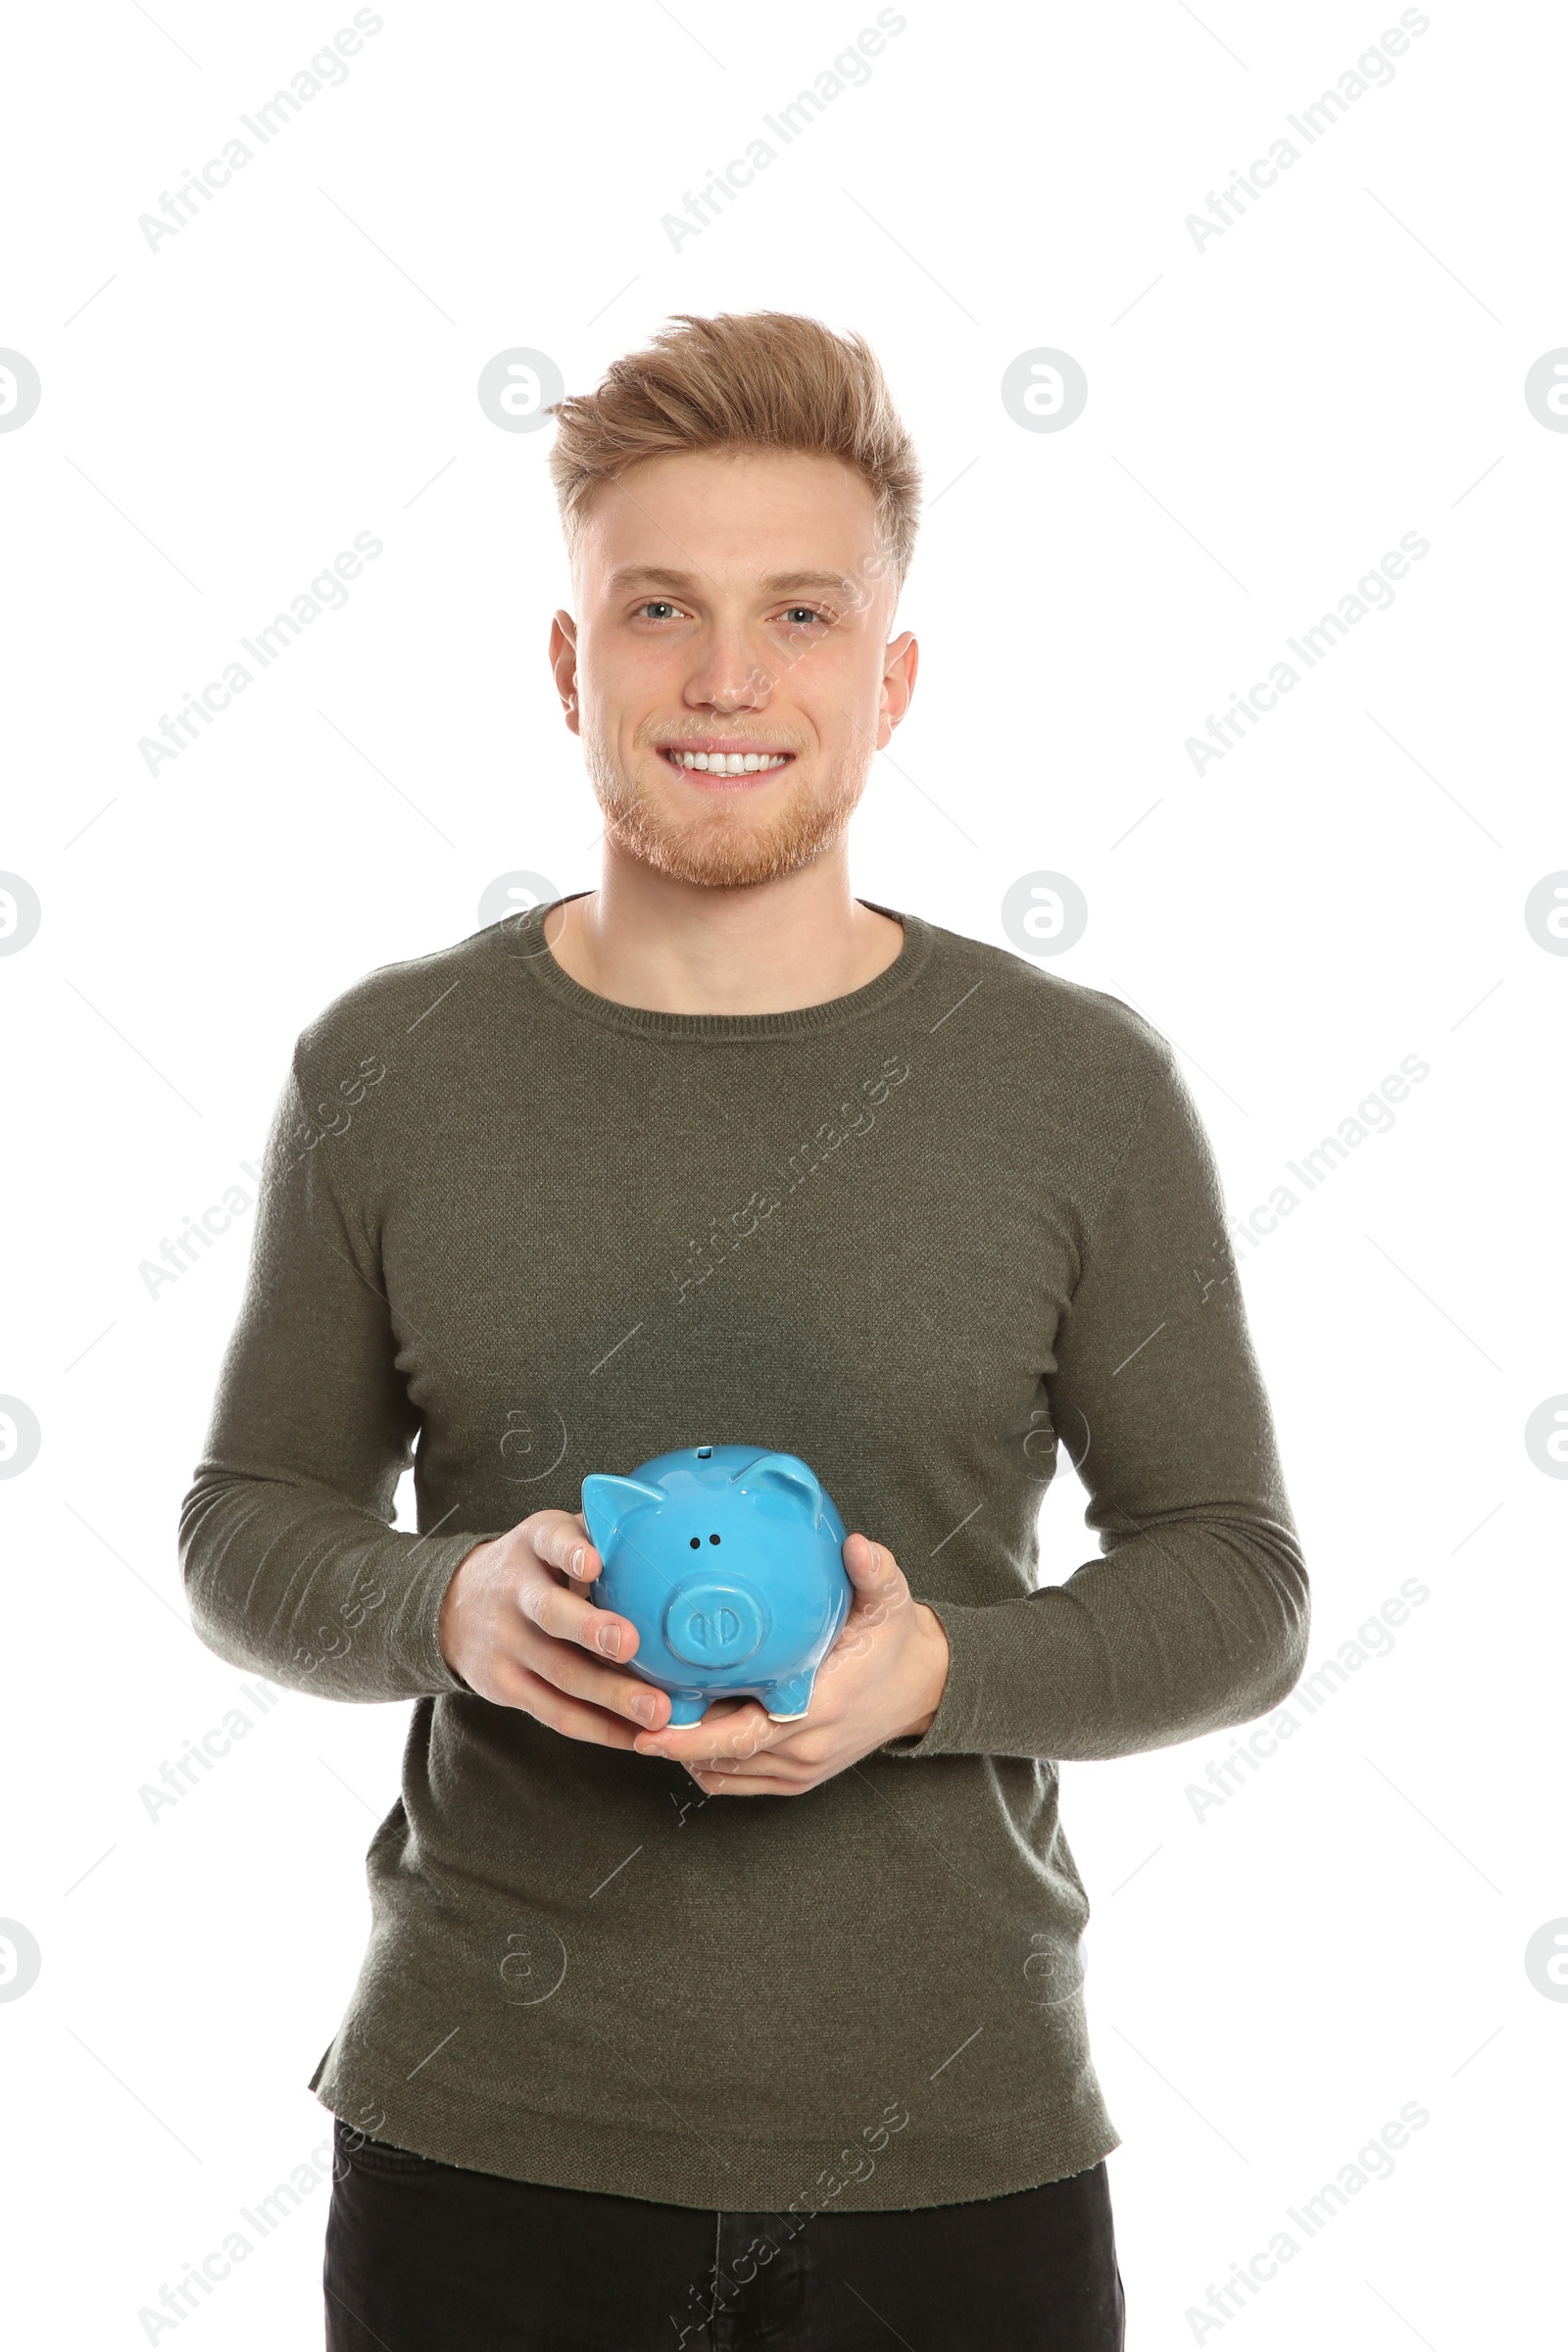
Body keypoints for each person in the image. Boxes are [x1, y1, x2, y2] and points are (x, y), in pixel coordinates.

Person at [179, 310, 1309, 2350]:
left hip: (952, 2158)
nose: (723, 680)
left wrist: (936, 1675)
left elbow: (1236, 1586)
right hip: (482, 2153)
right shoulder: (389, 1066)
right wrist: (454, 1610)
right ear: (565, 663)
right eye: (655, 609)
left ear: (884, 682)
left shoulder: (1069, 1084)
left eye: (797, 615)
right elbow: (246, 1525)